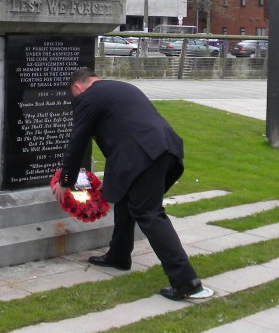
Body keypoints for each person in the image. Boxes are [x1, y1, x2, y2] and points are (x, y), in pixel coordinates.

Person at [54, 67, 210, 301]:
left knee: (149, 213)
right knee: (127, 201)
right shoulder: (121, 87)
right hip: (166, 149)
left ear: (78, 87)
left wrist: (66, 181)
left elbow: (78, 142)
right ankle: (119, 255)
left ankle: (187, 282)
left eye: (74, 94)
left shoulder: (87, 97)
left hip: (143, 155)